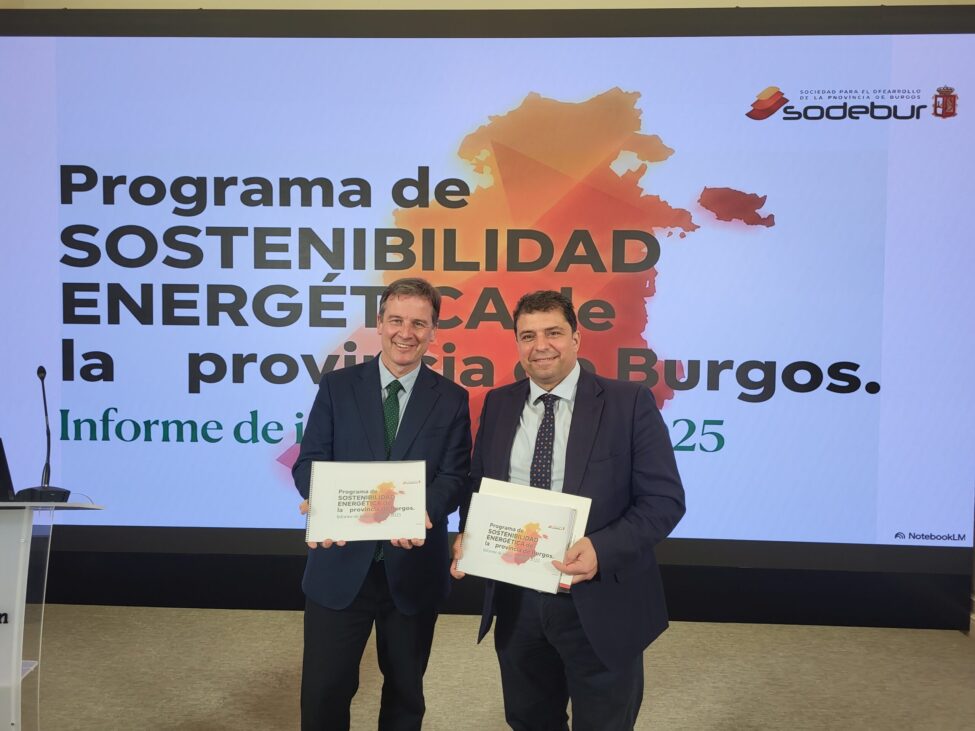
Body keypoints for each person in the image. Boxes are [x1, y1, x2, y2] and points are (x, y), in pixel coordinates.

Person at [451, 290, 685, 731]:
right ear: (517, 343)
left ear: (576, 338)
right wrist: (470, 531)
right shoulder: (499, 404)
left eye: (553, 333)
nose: (541, 346)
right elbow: (478, 487)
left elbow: (664, 501)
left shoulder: (629, 403)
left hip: (600, 600)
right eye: (528, 336)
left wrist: (601, 549)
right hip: (518, 599)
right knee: (528, 719)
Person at [293, 277, 471, 731]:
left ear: (433, 331)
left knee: (406, 695)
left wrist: (424, 511)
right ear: (379, 323)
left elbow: (455, 476)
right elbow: (309, 462)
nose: (405, 333)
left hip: (413, 569)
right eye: (396, 320)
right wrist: (321, 500)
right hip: (339, 565)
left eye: (419, 323)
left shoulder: (452, 399)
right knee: (324, 692)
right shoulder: (337, 387)